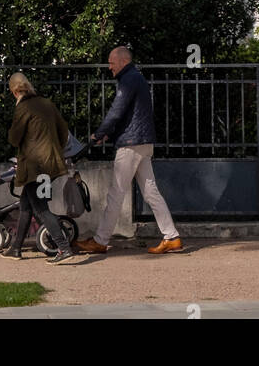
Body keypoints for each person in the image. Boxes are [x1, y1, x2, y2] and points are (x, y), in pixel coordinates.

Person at [75, 45, 182, 255]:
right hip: (143, 142)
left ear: (123, 61)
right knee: (151, 192)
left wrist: (99, 133)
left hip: (131, 145)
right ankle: (172, 237)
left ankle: (100, 240)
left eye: (111, 63)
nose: (109, 67)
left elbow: (117, 111)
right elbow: (131, 116)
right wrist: (111, 135)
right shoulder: (136, 77)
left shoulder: (128, 79)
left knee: (116, 193)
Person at [2, 72, 75, 263]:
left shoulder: (23, 108)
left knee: (41, 208)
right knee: (26, 205)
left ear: (14, 91)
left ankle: (64, 247)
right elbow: (63, 130)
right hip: (50, 163)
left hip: (36, 166)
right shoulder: (46, 104)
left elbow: (14, 138)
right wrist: (54, 148)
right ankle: (16, 248)